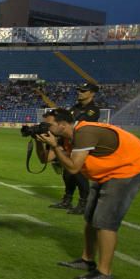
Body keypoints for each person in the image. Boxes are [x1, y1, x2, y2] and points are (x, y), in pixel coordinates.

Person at [36, 108, 140, 279]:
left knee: (105, 221)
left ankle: (104, 273)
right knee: (90, 217)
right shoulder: (65, 136)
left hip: (128, 169)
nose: (45, 127)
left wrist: (55, 146)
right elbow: (45, 159)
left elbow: (74, 168)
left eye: (48, 124)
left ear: (63, 124)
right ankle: (87, 260)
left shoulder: (84, 133)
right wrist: (38, 141)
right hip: (107, 172)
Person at [49, 82, 101, 215]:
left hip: (83, 145)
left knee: (78, 172)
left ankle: (84, 203)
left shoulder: (93, 110)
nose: (80, 92)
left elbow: (77, 124)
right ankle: (67, 199)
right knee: (68, 173)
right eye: (79, 90)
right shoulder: (74, 108)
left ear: (92, 93)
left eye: (83, 91)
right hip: (70, 144)